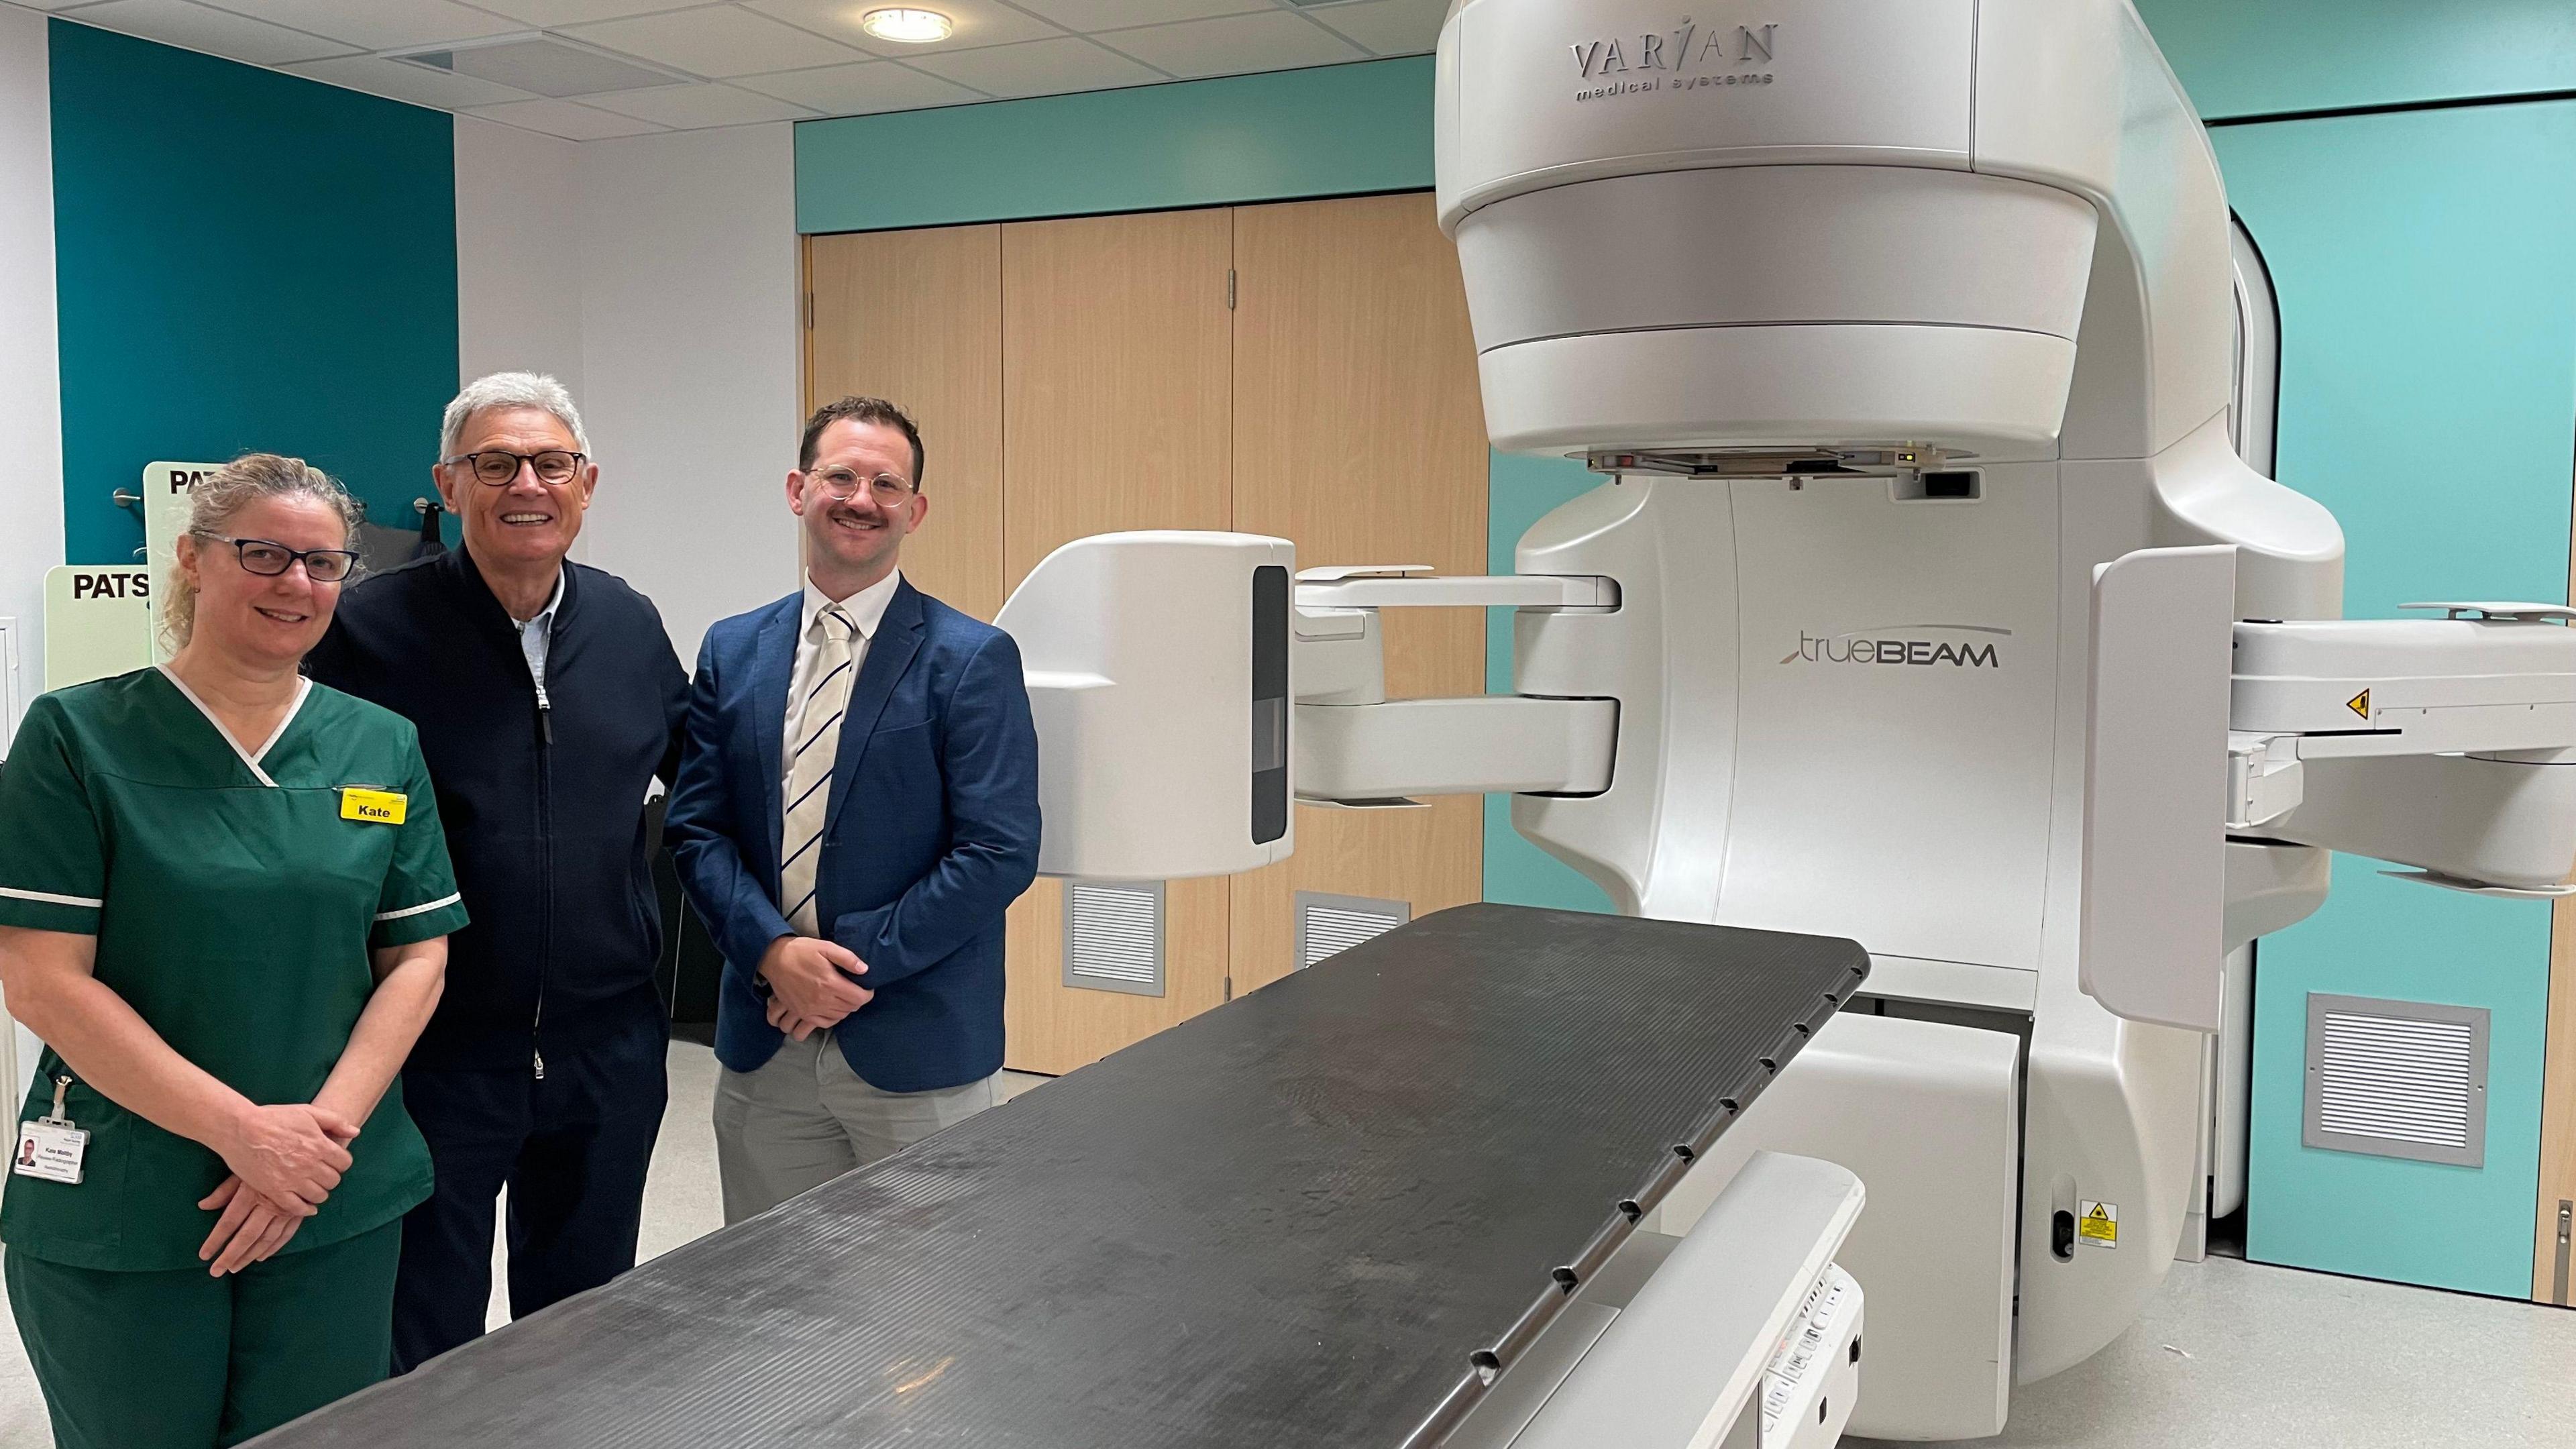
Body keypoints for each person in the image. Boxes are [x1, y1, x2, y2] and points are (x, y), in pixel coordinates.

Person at [0, 455, 463, 1448]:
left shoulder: (381, 746)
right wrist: (244, 1134)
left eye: (324, 564)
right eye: (262, 553)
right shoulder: (75, 738)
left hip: (329, 1191)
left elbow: (417, 958)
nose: (296, 584)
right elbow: (40, 981)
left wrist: (313, 1144)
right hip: (133, 1192)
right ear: (192, 561)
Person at [302, 373, 688, 1370]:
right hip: (433, 1053)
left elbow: (707, 787)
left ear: (586, 482)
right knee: (422, 1339)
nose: (527, 482)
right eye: (496, 462)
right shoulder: (362, 631)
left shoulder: (629, 625)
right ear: (449, 481)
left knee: (586, 1332)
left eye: (551, 462)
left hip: (607, 1048)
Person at [665, 395, 1040, 1223]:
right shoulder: (733, 648)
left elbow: (999, 850)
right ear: (799, 489)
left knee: (926, 1315)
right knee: (770, 1300)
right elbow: (697, 827)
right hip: (767, 1043)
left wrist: (835, 967)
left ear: (917, 509)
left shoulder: (972, 659)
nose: (861, 498)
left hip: (918, 1041)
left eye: (886, 482)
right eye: (840, 475)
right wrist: (773, 952)